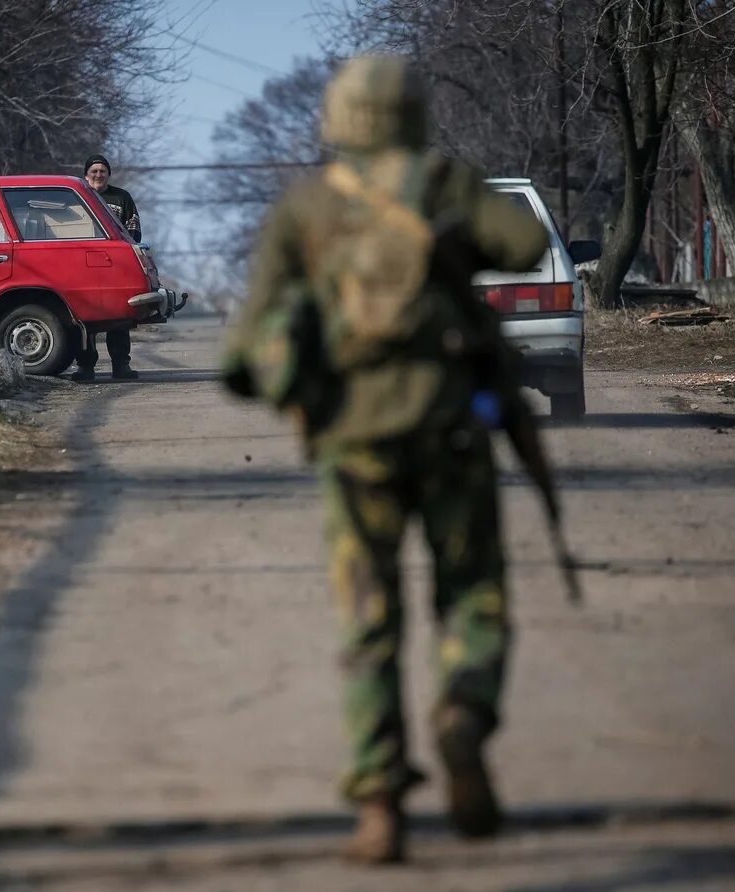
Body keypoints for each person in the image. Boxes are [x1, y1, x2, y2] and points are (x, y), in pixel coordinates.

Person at [222, 55, 550, 865]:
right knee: (471, 591)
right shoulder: (446, 183)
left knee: (367, 622)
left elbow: (244, 354)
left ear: (335, 119)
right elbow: (527, 242)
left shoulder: (304, 209)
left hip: (353, 446)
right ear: (414, 114)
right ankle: (464, 715)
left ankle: (379, 808)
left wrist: (298, 382)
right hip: (452, 431)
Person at [73, 153, 141, 381]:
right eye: (94, 171)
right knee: (83, 320)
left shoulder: (122, 197)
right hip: (81, 268)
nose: (98, 175)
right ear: (86, 175)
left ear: (109, 174)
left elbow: (134, 231)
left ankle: (121, 366)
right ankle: (85, 368)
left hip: (114, 268)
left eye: (103, 171)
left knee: (118, 318)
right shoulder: (76, 197)